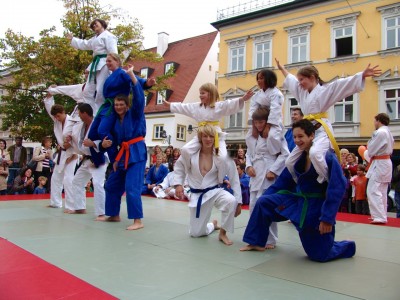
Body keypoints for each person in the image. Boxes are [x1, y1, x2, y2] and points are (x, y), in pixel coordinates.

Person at [241, 119, 356, 262]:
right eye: (295, 137)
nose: (297, 140)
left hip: (314, 210)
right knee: (263, 202)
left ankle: (347, 245)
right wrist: (267, 195)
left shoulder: (326, 157)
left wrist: (327, 219)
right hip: (296, 201)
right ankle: (256, 241)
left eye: (301, 136)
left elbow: (337, 188)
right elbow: (283, 182)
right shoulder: (297, 159)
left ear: (312, 136)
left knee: (319, 255)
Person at [275, 58, 381, 183]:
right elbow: (291, 80)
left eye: (302, 79)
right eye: (299, 80)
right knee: (289, 162)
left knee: (315, 154)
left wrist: (362, 75)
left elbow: (341, 84)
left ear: (313, 77)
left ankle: (328, 179)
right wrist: (282, 69)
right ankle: (298, 181)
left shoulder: (325, 91)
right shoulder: (302, 92)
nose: (300, 83)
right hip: (307, 131)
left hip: (321, 131)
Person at [164, 82, 253, 183]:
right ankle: (189, 171)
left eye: (203, 93)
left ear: (210, 94)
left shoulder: (218, 106)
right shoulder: (196, 107)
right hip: (201, 134)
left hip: (215, 135)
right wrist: (170, 105)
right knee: (185, 150)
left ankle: (220, 178)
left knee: (223, 157)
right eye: (200, 93)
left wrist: (243, 99)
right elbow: (183, 107)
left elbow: (229, 104)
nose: (200, 95)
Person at [174, 124, 241, 245]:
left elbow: (234, 177)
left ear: (215, 138)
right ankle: (212, 225)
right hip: (198, 195)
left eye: (211, 136)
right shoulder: (190, 154)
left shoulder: (222, 157)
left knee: (231, 200)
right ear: (200, 138)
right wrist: (178, 184)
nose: (208, 139)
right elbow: (179, 167)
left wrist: (239, 201)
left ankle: (223, 233)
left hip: (215, 191)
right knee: (196, 233)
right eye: (205, 136)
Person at [88, 53, 155, 162]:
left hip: (115, 106)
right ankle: (97, 159)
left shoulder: (121, 73)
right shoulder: (110, 76)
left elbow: (133, 78)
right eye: (106, 61)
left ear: (118, 62)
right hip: (106, 106)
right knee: (92, 134)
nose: (107, 63)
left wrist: (146, 83)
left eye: (110, 61)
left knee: (102, 130)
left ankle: (114, 157)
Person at [100, 83, 147, 230]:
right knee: (111, 184)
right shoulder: (114, 122)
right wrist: (113, 157)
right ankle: (114, 214)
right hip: (122, 155)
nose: (118, 107)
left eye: (121, 104)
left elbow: (139, 99)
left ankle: (137, 221)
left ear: (127, 105)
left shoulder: (135, 113)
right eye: (116, 105)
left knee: (132, 187)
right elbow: (112, 141)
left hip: (137, 153)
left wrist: (133, 80)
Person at [245, 107, 289, 249]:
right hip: (255, 174)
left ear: (267, 121)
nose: (258, 125)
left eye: (261, 122)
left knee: (267, 207)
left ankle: (270, 240)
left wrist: (274, 170)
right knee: (253, 207)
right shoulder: (252, 137)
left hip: (268, 173)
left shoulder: (275, 135)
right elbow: (248, 155)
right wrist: (248, 167)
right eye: (256, 122)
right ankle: (256, 238)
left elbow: (285, 154)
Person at [66, 103, 109, 219]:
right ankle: (80, 208)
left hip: (99, 157)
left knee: (98, 184)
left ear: (84, 113)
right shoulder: (81, 126)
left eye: (79, 113)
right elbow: (76, 137)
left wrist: (93, 143)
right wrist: (70, 138)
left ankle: (101, 213)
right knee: (77, 181)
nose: (78, 116)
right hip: (87, 159)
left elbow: (107, 139)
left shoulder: (99, 123)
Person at [66, 19, 118, 113]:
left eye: (95, 24)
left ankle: (100, 111)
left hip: (104, 63)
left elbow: (113, 51)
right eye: (92, 26)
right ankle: (92, 112)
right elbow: (84, 44)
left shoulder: (109, 36)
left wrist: (113, 64)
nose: (94, 26)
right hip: (95, 64)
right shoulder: (94, 39)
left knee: (100, 89)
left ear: (102, 24)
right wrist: (73, 40)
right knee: (87, 91)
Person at [43, 96, 77, 210]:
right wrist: (49, 96)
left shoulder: (73, 121)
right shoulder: (57, 121)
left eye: (58, 115)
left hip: (72, 153)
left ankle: (71, 206)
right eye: (55, 116)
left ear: (63, 112)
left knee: (68, 179)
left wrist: (73, 148)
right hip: (62, 153)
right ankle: (56, 202)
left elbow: (78, 138)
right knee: (56, 178)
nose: (57, 118)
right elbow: (49, 109)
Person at [364, 113, 394, 224]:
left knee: (373, 189)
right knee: (381, 190)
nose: (374, 123)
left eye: (374, 121)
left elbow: (371, 149)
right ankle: (381, 215)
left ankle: (379, 216)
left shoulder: (380, 132)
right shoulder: (388, 132)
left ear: (378, 120)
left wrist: (367, 151)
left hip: (380, 163)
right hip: (384, 162)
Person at [248, 69, 284, 156]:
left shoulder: (276, 93)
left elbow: (275, 110)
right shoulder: (257, 95)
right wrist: (254, 126)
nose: (259, 81)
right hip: (259, 122)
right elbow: (252, 110)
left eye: (261, 78)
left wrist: (268, 126)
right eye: (258, 79)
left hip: (273, 122)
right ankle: (253, 154)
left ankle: (276, 153)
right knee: (249, 136)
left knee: (271, 136)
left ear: (269, 79)